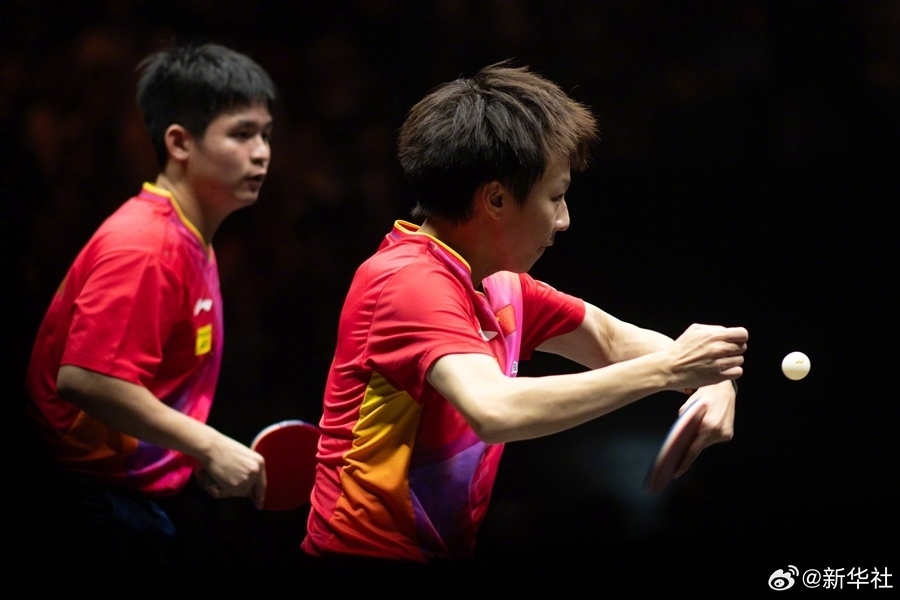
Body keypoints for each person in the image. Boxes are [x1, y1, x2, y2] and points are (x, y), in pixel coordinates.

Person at [300, 61, 748, 565]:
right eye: (555, 196)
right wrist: (671, 370)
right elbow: (496, 410)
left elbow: (615, 342)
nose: (564, 220)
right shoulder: (408, 282)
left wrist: (712, 379)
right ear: (495, 198)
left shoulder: (500, 283)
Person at [21, 42, 276, 590]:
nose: (261, 153)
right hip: (89, 507)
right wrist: (209, 444)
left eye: (265, 135)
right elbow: (85, 378)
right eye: (241, 134)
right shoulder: (146, 245)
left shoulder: (190, 235)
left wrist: (189, 452)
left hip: (126, 498)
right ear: (179, 142)